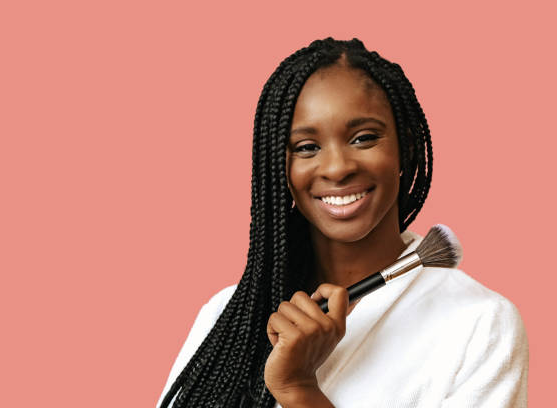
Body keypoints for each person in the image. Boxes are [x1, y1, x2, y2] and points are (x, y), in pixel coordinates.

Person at [157, 38, 528, 407]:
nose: (337, 168)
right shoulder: (228, 315)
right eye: (306, 147)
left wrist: (300, 389)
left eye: (363, 138)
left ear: (407, 146)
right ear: (279, 169)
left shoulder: (480, 324)